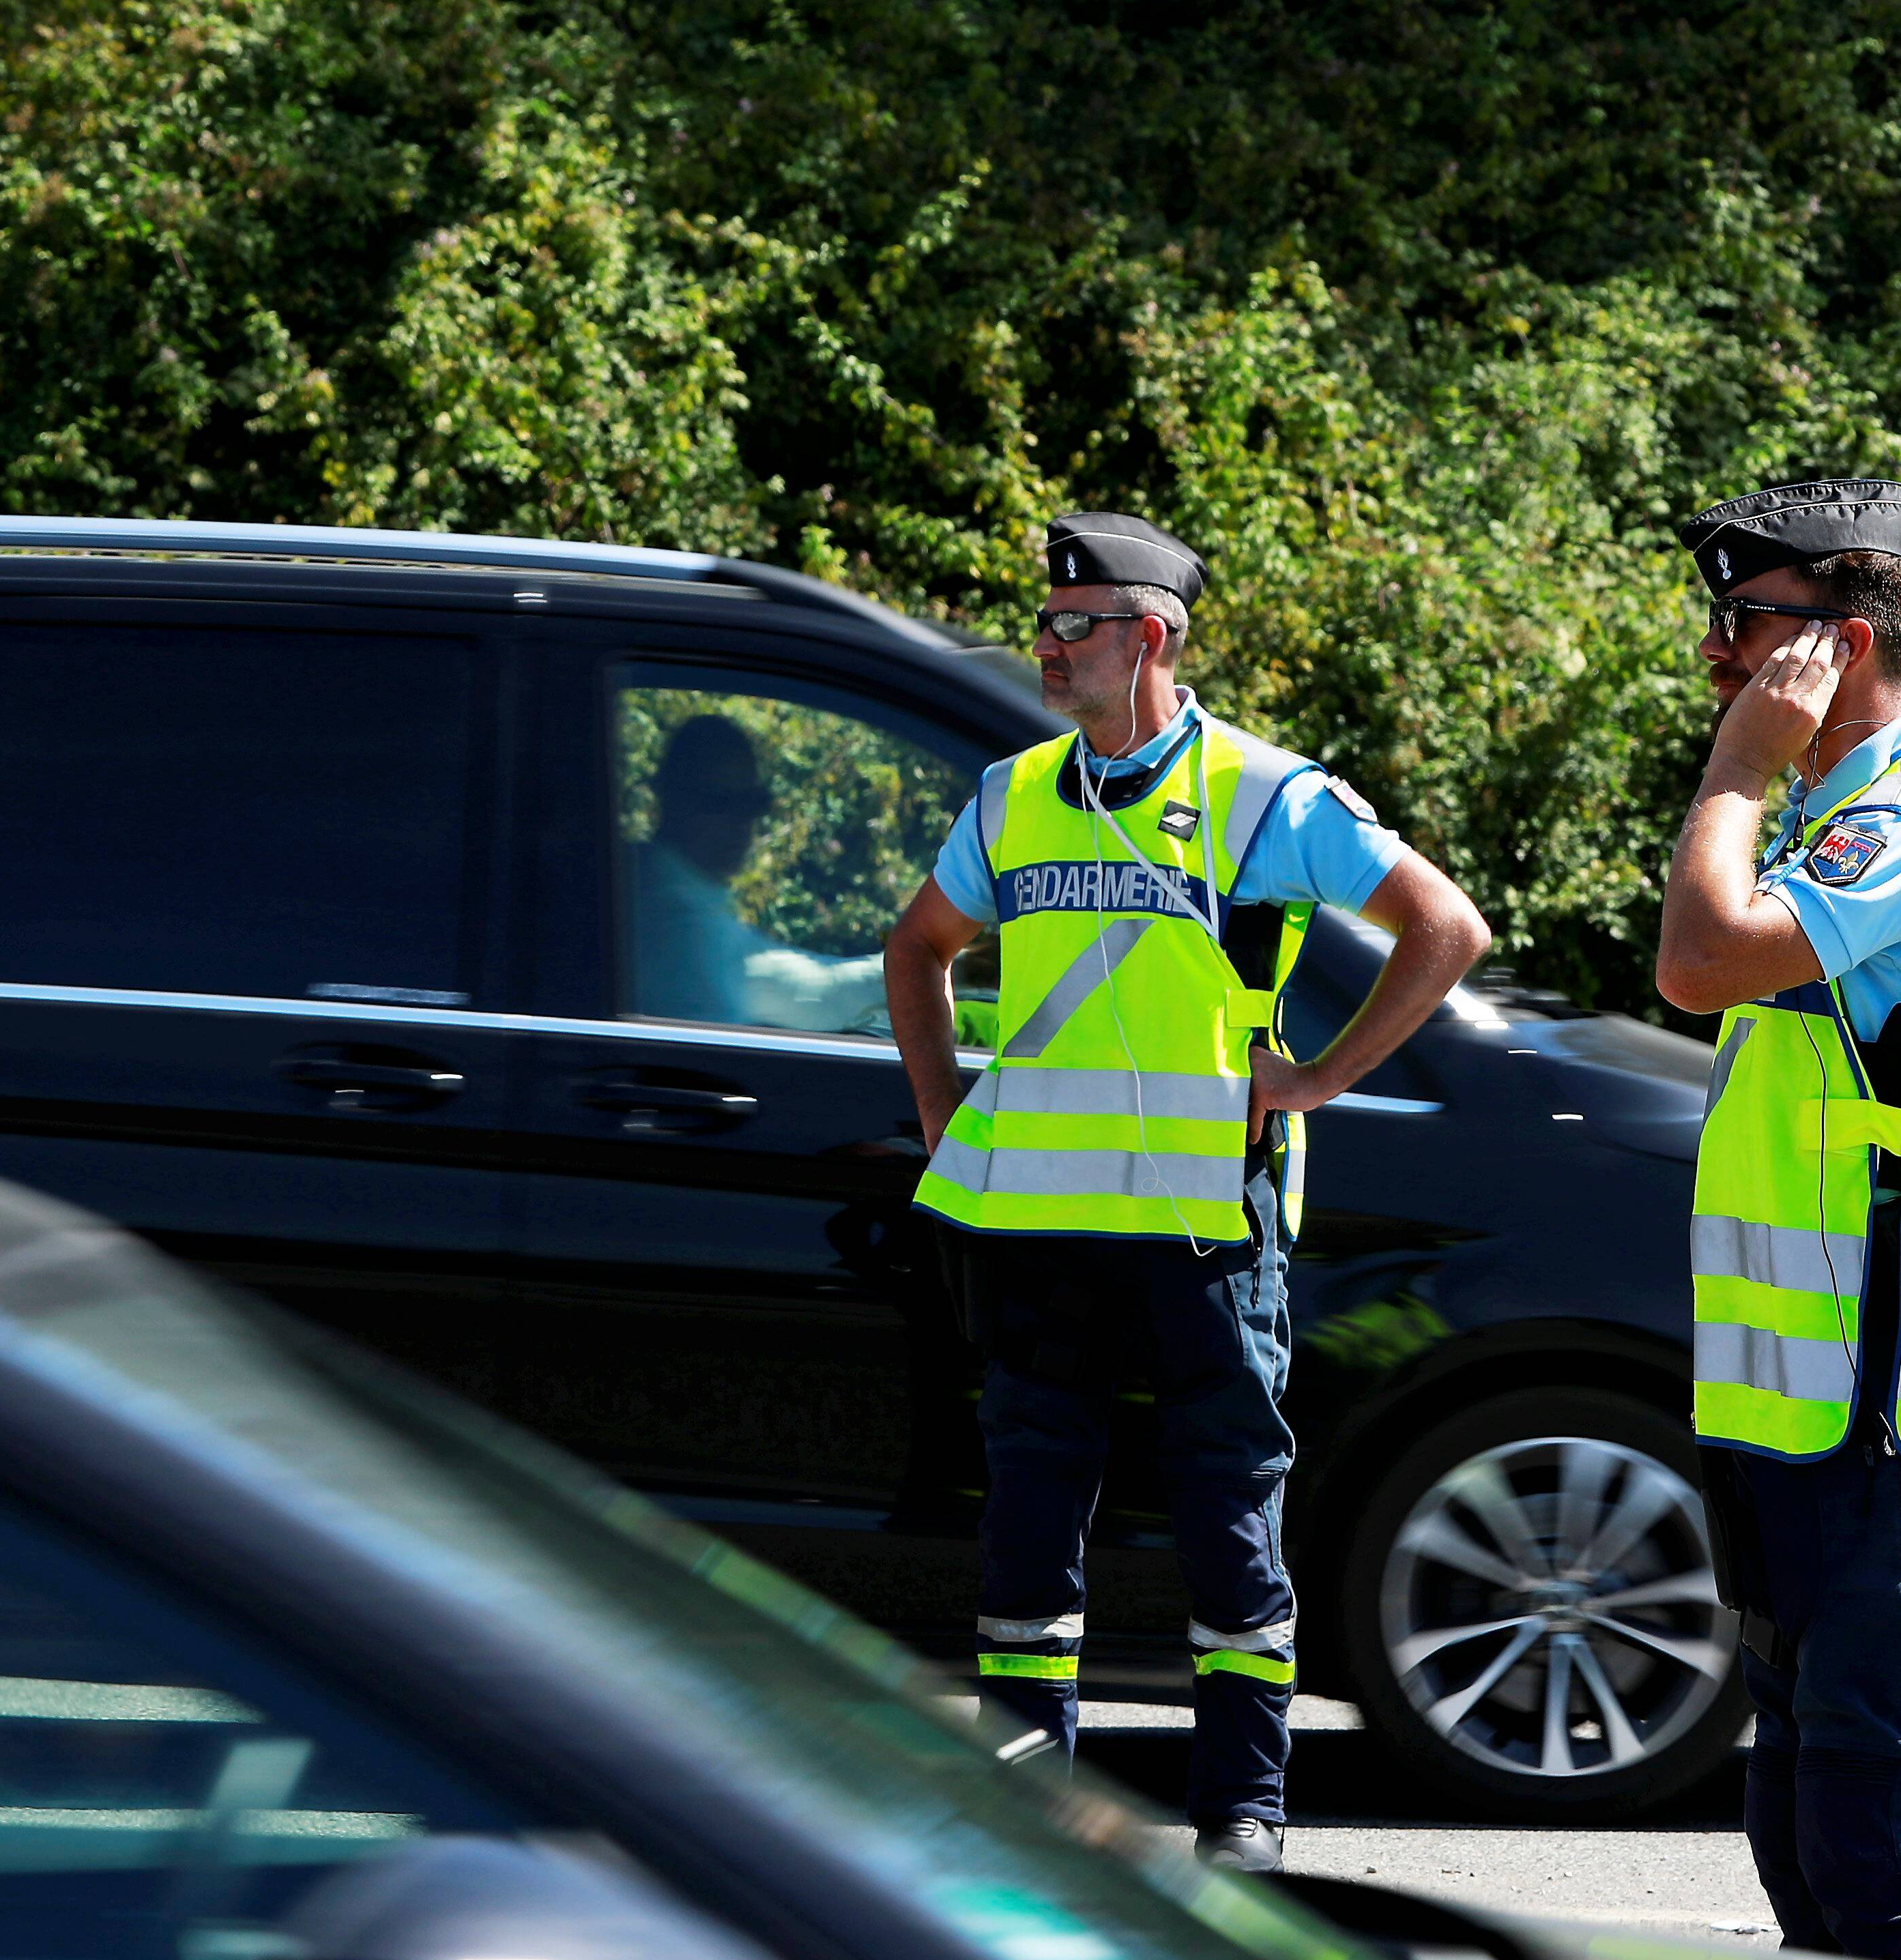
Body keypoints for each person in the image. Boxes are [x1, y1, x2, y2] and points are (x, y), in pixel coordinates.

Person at [885, 513, 1489, 1872]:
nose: (1045, 643)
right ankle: (1024, 1824)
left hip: (1206, 1237)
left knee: (1229, 1531)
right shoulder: (1010, 793)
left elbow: (1445, 927)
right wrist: (944, 1120)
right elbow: (915, 946)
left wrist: (1317, 1077)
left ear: (1149, 636)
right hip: (1037, 1233)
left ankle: (1242, 1820)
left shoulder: (1262, 796)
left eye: (1073, 624)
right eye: (1042, 621)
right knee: (1027, 1546)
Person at [1651, 478, 1901, 1960]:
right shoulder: (1841, 817)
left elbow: (1695, 960)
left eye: (1743, 621)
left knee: (1872, 1772)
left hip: (1884, 1383)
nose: (1716, 651)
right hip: (1804, 1386)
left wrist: (1736, 767)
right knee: (1801, 1771)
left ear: (1841, 638)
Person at [627, 711, 888, 1035]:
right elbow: (816, 991)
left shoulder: (656, 887)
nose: (741, 822)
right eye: (719, 802)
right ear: (671, 798)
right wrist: (928, 961)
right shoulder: (674, 921)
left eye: (753, 803)